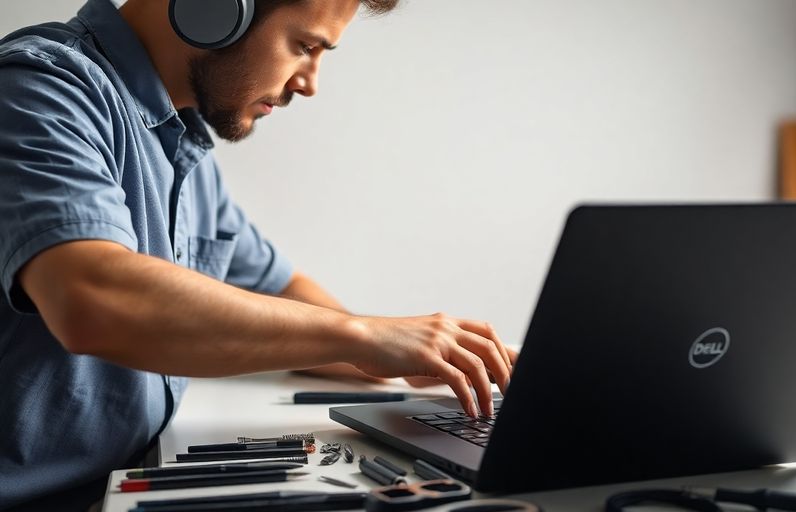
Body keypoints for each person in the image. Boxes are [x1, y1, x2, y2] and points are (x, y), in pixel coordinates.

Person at [0, 1, 516, 509]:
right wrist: (366, 336)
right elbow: (94, 301)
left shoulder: (183, 149)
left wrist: (407, 356)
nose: (309, 83)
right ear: (216, 10)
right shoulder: (41, 89)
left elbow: (281, 295)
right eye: (306, 46)